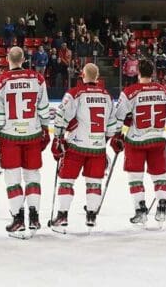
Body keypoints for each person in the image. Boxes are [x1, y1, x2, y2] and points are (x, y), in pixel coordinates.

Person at [0, 46, 51, 237]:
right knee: (33, 176)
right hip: (32, 134)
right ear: (24, 59)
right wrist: (45, 129)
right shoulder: (37, 79)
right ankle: (34, 216)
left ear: (7, 59)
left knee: (12, 179)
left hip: (9, 137)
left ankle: (18, 219)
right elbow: (44, 109)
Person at [50, 63, 119, 232]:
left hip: (76, 146)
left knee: (66, 181)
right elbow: (112, 125)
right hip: (98, 148)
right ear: (98, 77)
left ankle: (63, 215)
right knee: (94, 183)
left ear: (82, 75)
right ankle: (91, 215)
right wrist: (105, 140)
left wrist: (58, 138)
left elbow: (61, 117)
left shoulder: (75, 93)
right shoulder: (107, 96)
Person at [110, 58, 166, 226]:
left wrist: (117, 135)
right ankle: (162, 208)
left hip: (136, 142)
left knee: (135, 178)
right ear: (153, 72)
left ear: (138, 73)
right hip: (157, 139)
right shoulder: (164, 90)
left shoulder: (130, 91)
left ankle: (140, 210)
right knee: (160, 176)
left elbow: (118, 117)